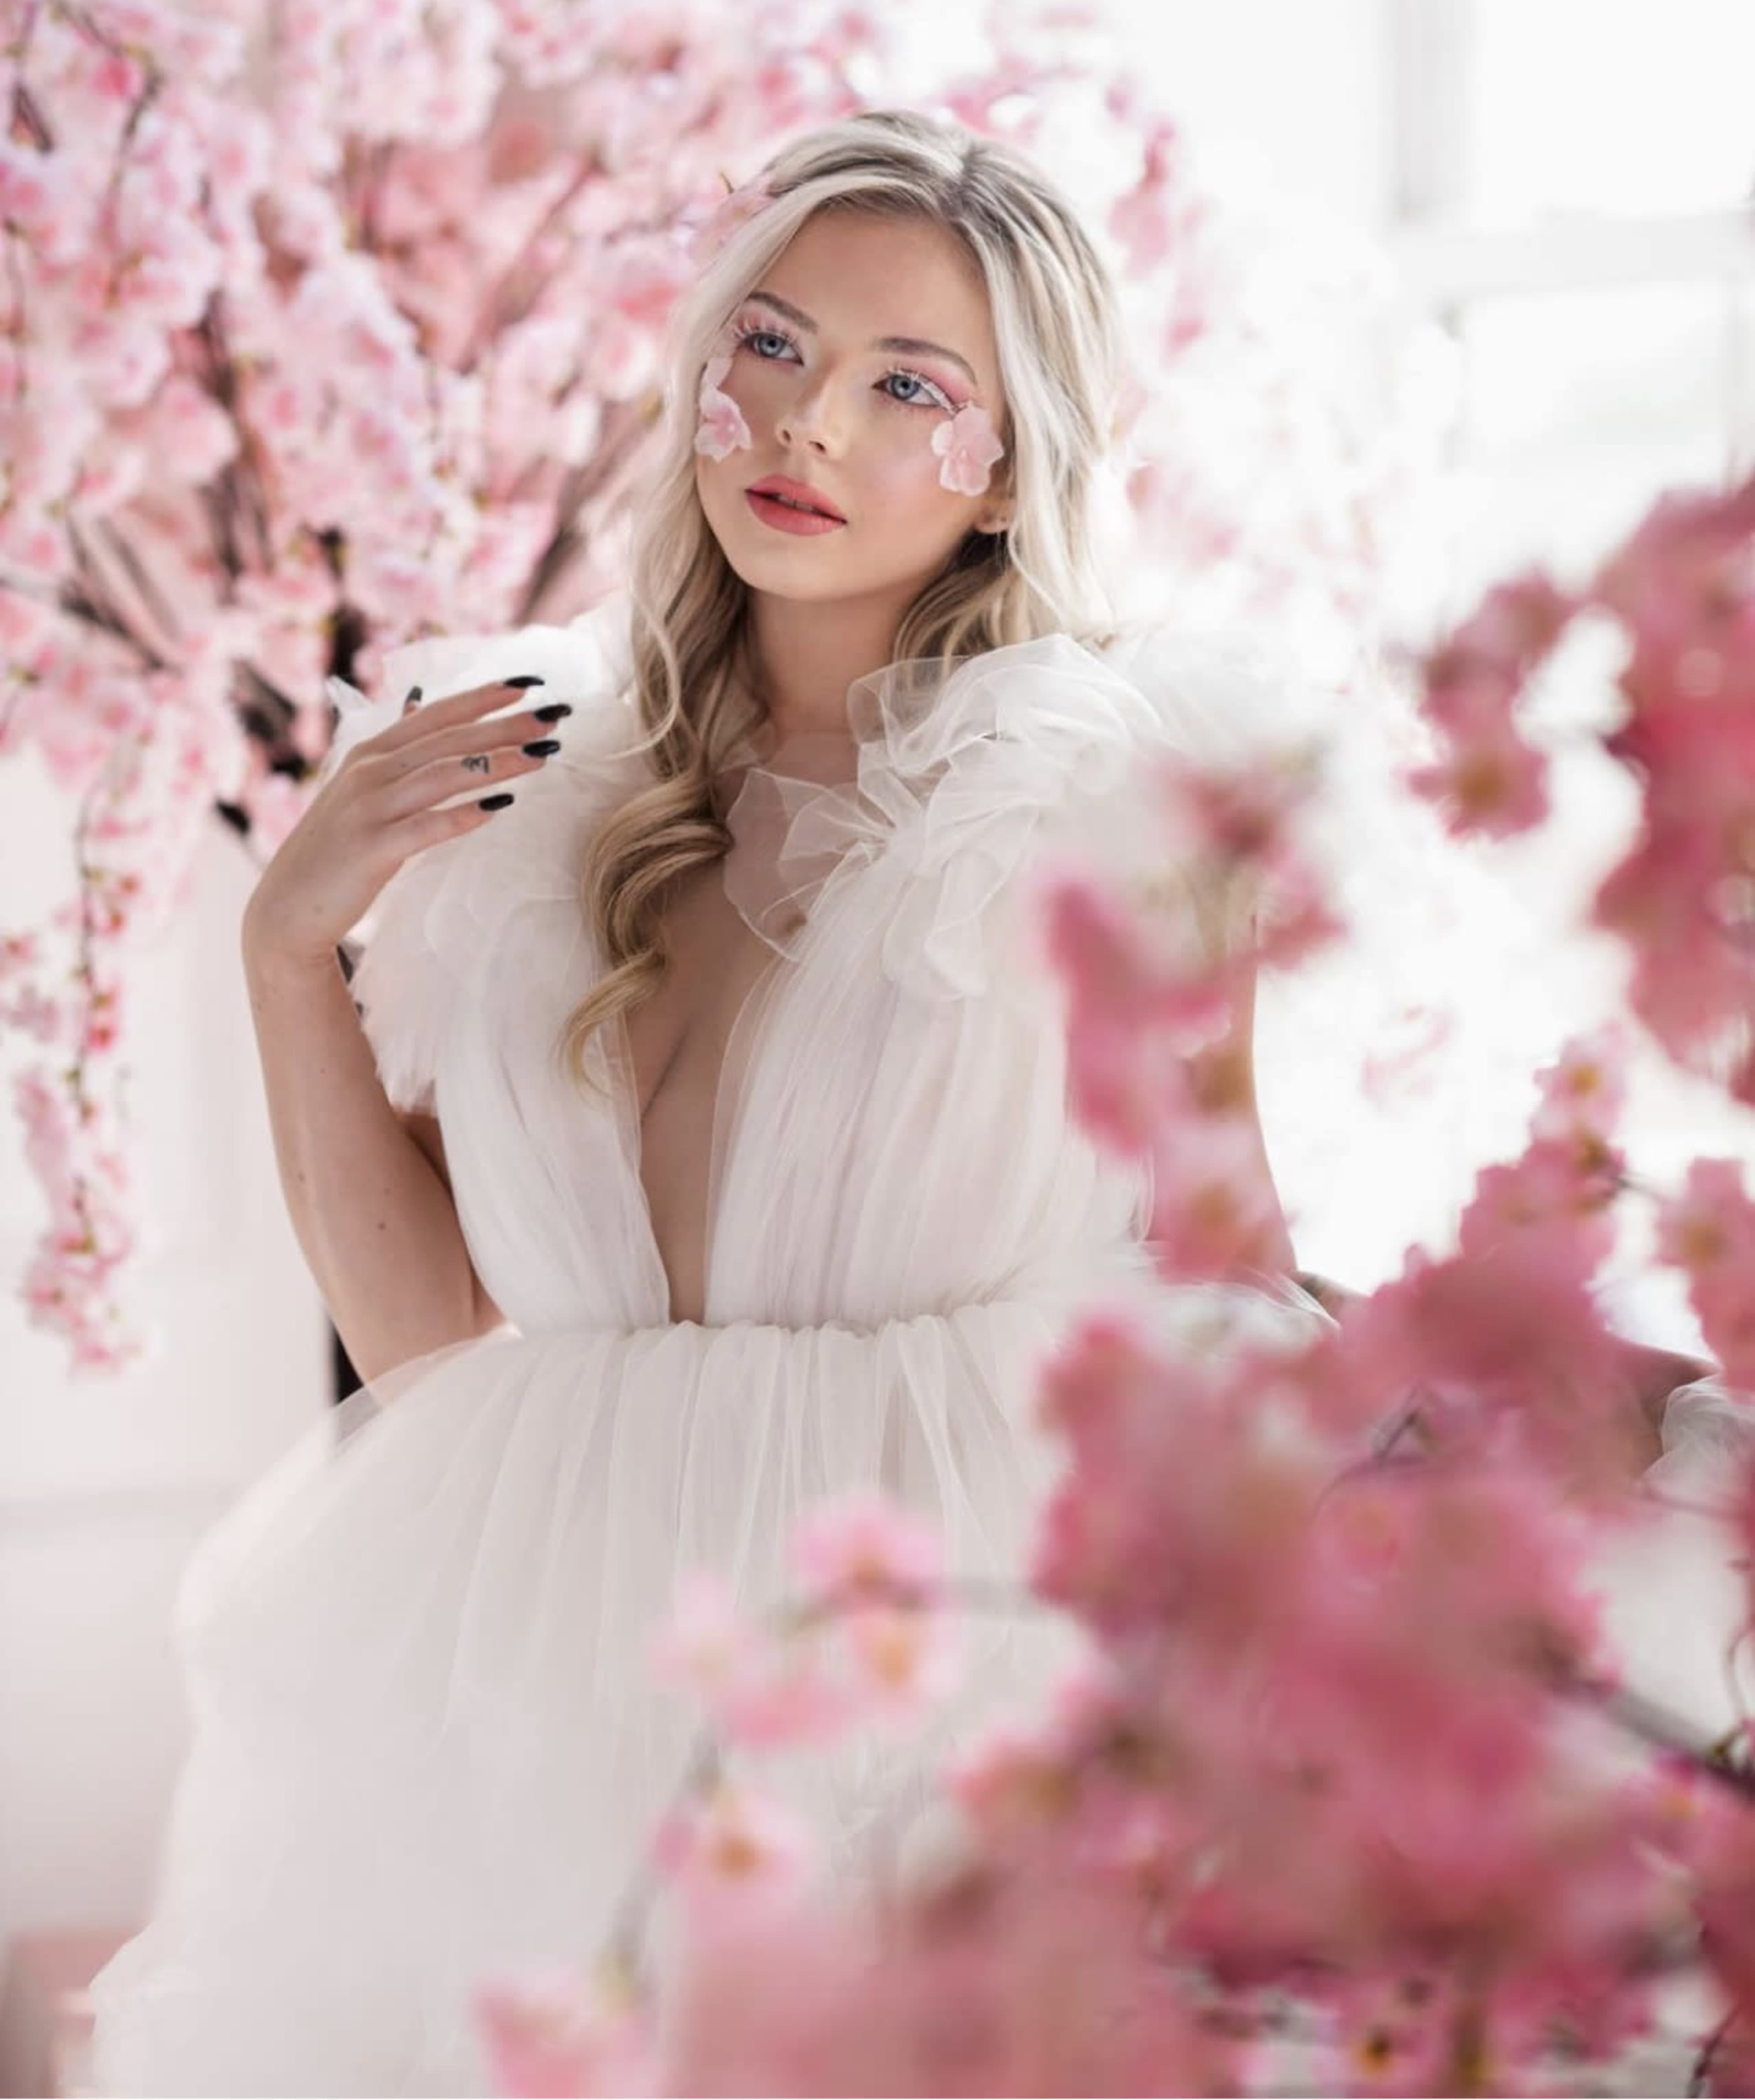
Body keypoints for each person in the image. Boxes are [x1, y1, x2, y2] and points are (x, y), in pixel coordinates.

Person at [83, 106, 1325, 2095]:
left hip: (948, 1661)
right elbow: (442, 1352)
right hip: (543, 1671)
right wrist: (285, 948)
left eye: (906, 382)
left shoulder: (1117, 797)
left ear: (1009, 468)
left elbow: (1232, 1260)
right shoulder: (533, 785)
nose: (807, 422)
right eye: (773, 342)